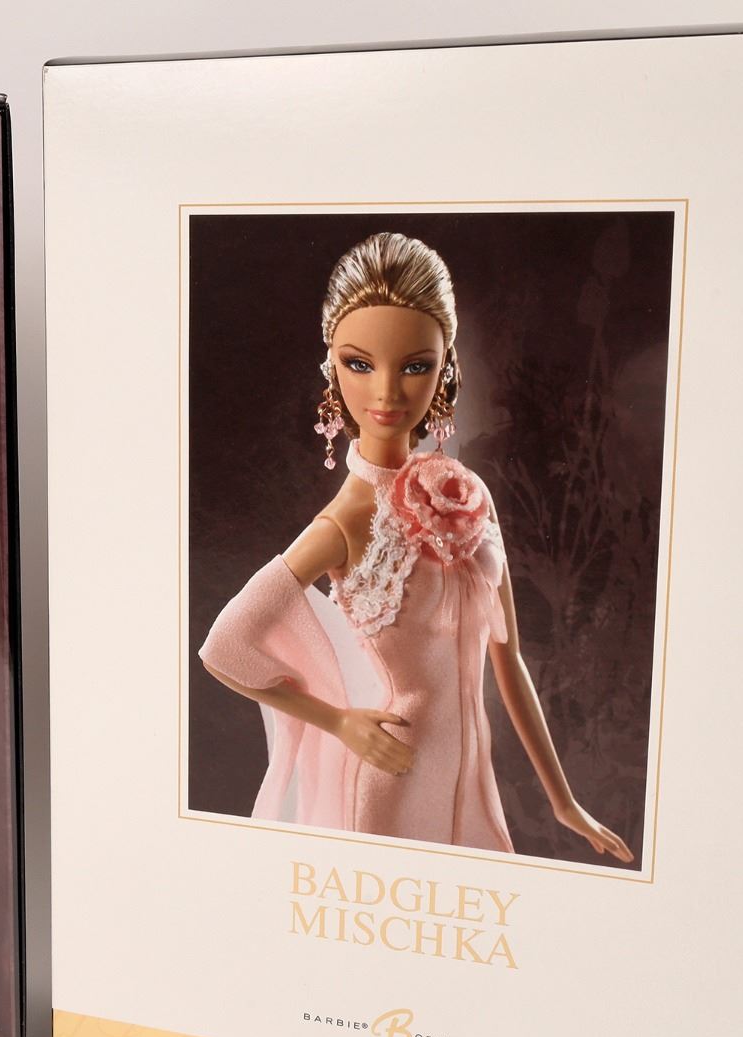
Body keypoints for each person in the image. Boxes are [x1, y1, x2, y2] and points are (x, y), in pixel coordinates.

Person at [198, 231, 632, 864]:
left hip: (470, 779)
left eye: (414, 366)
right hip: (392, 774)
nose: (387, 392)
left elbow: (508, 659)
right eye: (360, 364)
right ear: (331, 369)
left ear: (444, 368)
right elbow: (225, 647)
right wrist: (338, 721)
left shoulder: (466, 494)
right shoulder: (344, 522)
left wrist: (564, 802)